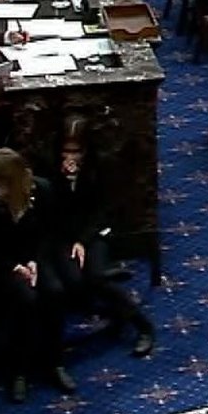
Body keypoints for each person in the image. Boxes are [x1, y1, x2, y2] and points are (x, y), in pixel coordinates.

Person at [0, 149, 74, 402]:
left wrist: (34, 261)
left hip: (34, 257)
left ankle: (55, 362)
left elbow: (49, 233)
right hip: (0, 263)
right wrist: (15, 267)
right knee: (26, 299)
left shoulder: (42, 190)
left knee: (55, 292)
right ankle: (18, 371)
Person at [48, 119, 154, 356]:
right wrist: (64, 182)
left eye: (76, 151)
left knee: (96, 278)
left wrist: (83, 241)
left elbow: (101, 211)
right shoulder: (50, 170)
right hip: (62, 237)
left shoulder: (99, 166)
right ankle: (114, 310)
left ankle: (143, 326)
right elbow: (52, 214)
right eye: (66, 150)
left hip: (91, 233)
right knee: (75, 281)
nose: (71, 156)